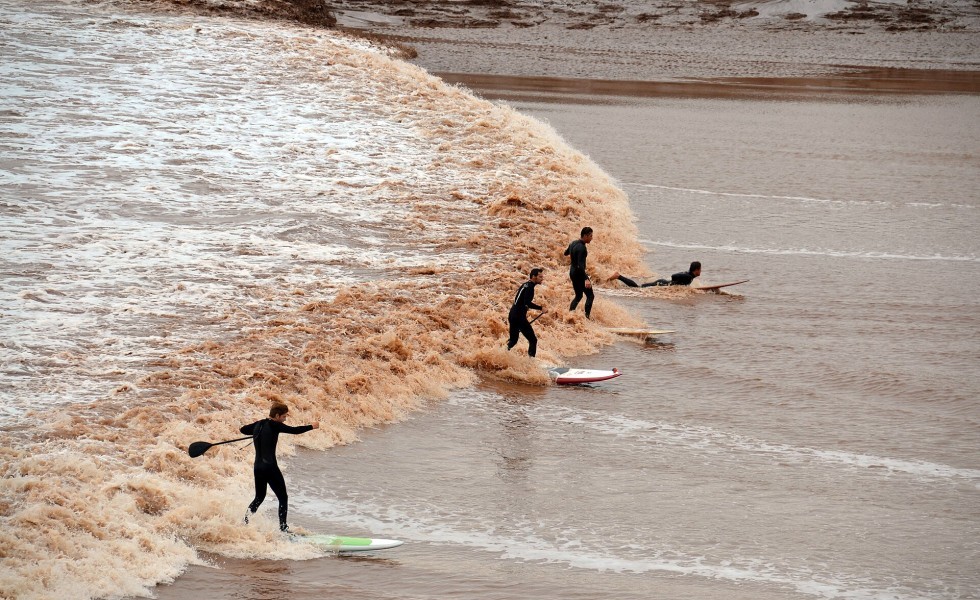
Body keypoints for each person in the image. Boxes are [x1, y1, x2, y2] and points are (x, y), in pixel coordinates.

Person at [241, 403, 319, 533]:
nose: (285, 419)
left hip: (258, 468)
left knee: (259, 497)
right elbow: (294, 430)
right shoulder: (274, 425)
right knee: (283, 498)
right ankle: (283, 528)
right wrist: (312, 426)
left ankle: (245, 522)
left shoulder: (258, 424)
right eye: (283, 416)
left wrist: (256, 432)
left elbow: (243, 430)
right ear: (276, 415)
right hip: (270, 467)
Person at [507, 268, 544, 358]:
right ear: (534, 277)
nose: (542, 279)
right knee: (533, 340)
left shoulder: (525, 285)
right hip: (519, 317)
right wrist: (541, 308)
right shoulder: (530, 287)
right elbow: (527, 303)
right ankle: (531, 364)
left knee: (513, 341)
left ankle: (501, 354)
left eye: (542, 277)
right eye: (540, 277)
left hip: (512, 314)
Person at [564, 227, 594, 319]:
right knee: (590, 296)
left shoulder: (573, 243)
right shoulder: (582, 248)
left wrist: (574, 254)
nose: (591, 238)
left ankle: (570, 314)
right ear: (585, 236)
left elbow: (565, 253)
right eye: (590, 236)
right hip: (579, 274)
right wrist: (586, 279)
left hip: (572, 272)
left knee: (579, 295)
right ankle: (587, 317)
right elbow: (581, 266)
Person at [608, 261, 702, 287]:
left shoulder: (689, 275)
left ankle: (618, 285)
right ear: (696, 270)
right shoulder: (688, 277)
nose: (701, 271)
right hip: (661, 284)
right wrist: (673, 283)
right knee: (637, 288)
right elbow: (674, 275)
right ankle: (618, 276)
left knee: (638, 287)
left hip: (662, 283)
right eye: (700, 269)